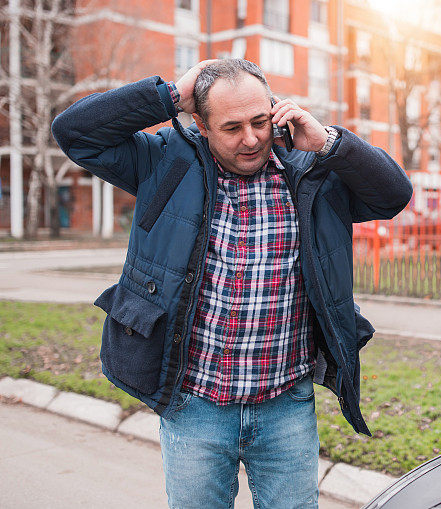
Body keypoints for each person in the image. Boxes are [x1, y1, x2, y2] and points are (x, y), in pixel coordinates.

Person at [51, 58, 412, 508]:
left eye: (261, 121)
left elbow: (394, 195)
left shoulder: (311, 169)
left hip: (285, 404)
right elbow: (75, 134)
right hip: (195, 405)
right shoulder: (164, 160)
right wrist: (167, 95)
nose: (251, 139)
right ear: (200, 124)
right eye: (232, 127)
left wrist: (328, 143)